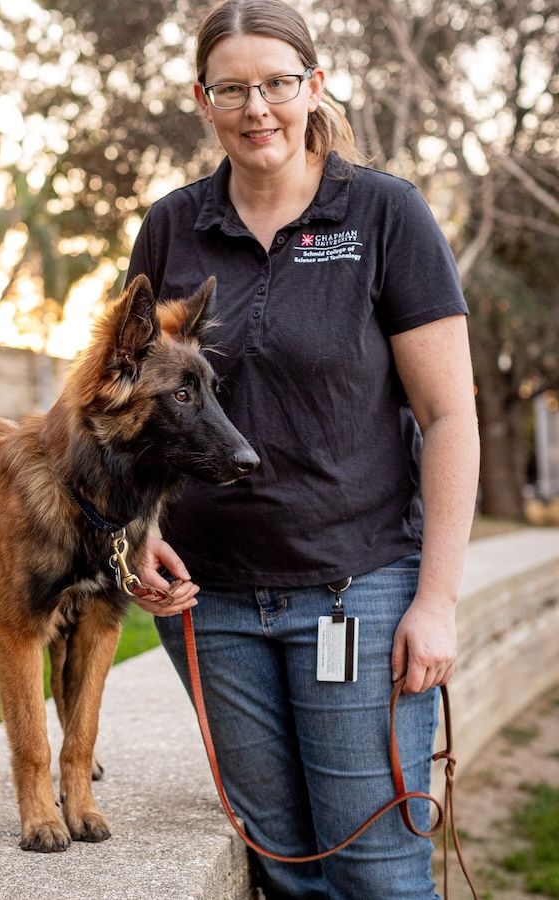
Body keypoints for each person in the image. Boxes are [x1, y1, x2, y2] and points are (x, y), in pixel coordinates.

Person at [126, 1, 480, 897]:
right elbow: (135, 405)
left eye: (278, 84)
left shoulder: (384, 213)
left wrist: (436, 600)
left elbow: (449, 416)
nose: (258, 109)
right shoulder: (171, 227)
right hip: (211, 604)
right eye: (233, 89)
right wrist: (141, 528)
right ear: (201, 99)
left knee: (376, 868)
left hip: (357, 587)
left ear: (314, 86)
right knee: (282, 866)